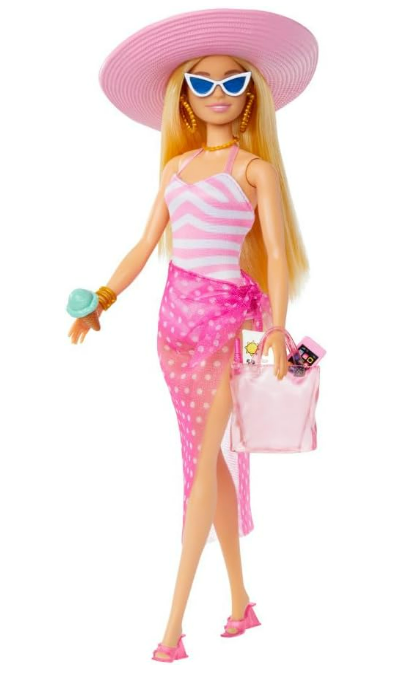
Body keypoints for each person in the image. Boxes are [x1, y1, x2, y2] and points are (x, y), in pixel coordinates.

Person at [67, 8, 318, 663]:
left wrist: (277, 327)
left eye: (233, 82)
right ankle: (241, 603)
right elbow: (144, 244)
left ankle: (173, 626)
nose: (217, 94)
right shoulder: (175, 170)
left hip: (225, 328)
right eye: (202, 83)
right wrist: (103, 299)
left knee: (200, 469)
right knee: (208, 461)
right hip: (172, 330)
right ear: (183, 96)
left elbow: (277, 254)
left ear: (251, 94)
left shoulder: (254, 169)